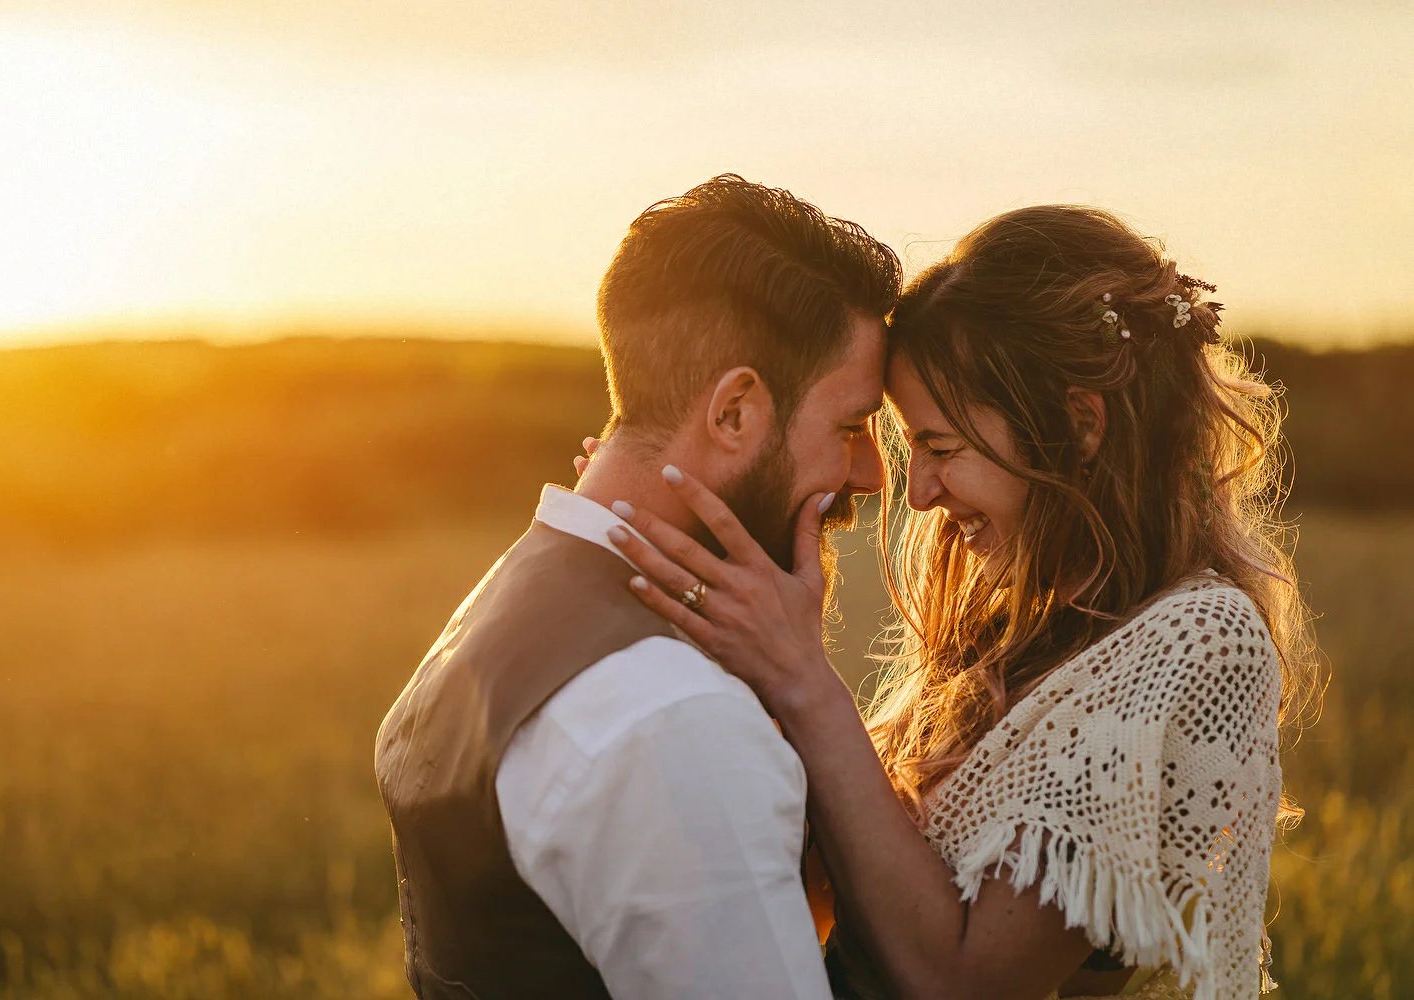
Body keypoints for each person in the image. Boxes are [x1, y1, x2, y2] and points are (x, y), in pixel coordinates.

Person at [606, 205, 1319, 1000]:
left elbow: (964, 981)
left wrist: (806, 682)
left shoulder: (1197, 640)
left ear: (1078, 426)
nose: (917, 494)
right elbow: (816, 901)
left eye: (942, 448)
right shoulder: (1012, 628)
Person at [373, 174, 902, 999]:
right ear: (734, 414)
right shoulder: (674, 719)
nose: (870, 474)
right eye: (848, 427)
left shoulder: (507, 597)